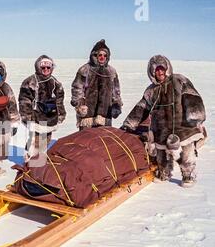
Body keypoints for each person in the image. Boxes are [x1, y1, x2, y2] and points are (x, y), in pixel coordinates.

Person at [121, 55, 206, 188]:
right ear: (152, 72)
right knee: (162, 156)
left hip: (183, 127)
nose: (160, 72)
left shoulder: (179, 80)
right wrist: (129, 124)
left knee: (186, 154)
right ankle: (164, 173)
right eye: (156, 70)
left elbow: (192, 97)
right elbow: (141, 108)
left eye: (162, 68)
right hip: (160, 129)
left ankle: (188, 175)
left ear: (167, 68)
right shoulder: (151, 90)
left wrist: (195, 117)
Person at [18, 55, 66, 161]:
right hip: (36, 117)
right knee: (35, 140)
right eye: (43, 68)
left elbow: (59, 101)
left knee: (46, 140)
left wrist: (61, 114)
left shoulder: (56, 83)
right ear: (38, 68)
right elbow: (24, 100)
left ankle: (39, 162)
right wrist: (26, 115)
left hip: (51, 117)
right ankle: (30, 162)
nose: (46, 70)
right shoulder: (30, 81)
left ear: (51, 68)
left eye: (48, 68)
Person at [71, 39, 123, 131]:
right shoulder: (85, 70)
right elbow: (77, 88)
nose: (102, 57)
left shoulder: (111, 72)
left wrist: (116, 105)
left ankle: (41, 144)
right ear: (95, 55)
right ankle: (41, 145)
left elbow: (116, 91)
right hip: (88, 115)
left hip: (105, 114)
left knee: (103, 141)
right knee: (87, 141)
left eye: (105, 55)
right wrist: (80, 105)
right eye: (100, 55)